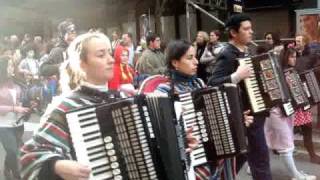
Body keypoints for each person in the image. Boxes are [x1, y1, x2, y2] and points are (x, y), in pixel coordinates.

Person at [154, 40, 254, 180]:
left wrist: (236, 120)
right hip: (189, 161)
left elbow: (212, 116)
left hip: (211, 154)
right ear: (175, 63)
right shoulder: (163, 92)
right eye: (190, 58)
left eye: (195, 57)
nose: (196, 62)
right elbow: (161, 136)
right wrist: (181, 136)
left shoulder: (199, 83)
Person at [208, 13, 272, 180]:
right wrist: (236, 76)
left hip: (255, 112)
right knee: (260, 158)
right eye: (246, 29)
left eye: (251, 28)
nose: (251, 32)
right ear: (234, 33)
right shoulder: (227, 54)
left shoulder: (247, 51)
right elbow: (213, 83)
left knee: (245, 157)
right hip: (245, 115)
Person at [264, 46, 316, 180]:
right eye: (292, 56)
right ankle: (296, 176)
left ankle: (252, 168)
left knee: (266, 140)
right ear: (285, 57)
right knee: (286, 143)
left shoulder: (288, 72)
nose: (295, 59)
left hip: (283, 111)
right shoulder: (279, 73)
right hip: (278, 111)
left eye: (295, 56)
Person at [0, 57, 30, 180]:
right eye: (9, 65)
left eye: (13, 65)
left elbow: (21, 101)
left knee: (13, 150)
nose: (12, 68)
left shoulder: (17, 83)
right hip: (3, 125)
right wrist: (14, 108)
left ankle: (7, 168)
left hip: (18, 123)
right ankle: (17, 176)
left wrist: (26, 106)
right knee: (12, 150)